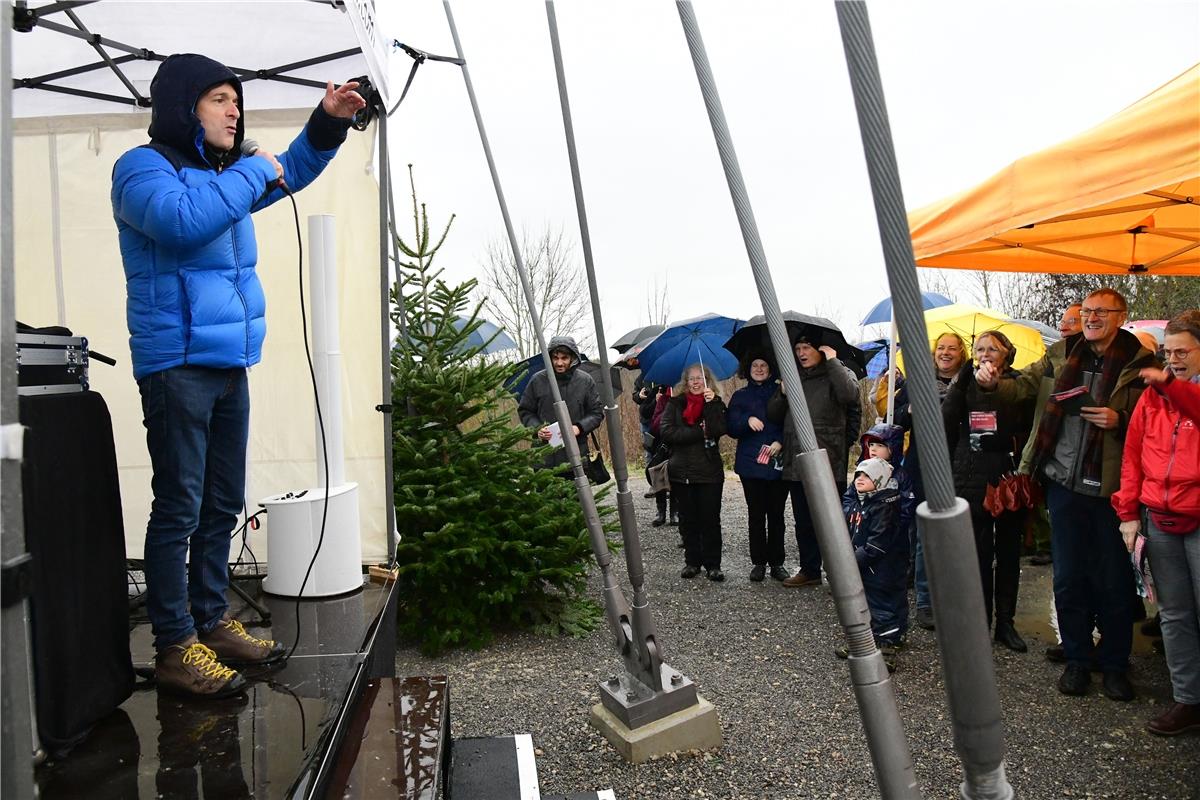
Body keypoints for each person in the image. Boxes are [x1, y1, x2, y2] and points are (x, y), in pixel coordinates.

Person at [111, 54, 367, 697]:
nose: (234, 111)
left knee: (222, 503)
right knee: (179, 508)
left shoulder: (220, 177)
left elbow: (292, 171)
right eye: (220, 99)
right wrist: (253, 167)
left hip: (228, 365)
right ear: (183, 106)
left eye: (236, 100)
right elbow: (180, 222)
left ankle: (211, 621)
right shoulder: (142, 170)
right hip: (175, 366)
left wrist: (326, 123)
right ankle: (175, 645)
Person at [1013, 288, 1155, 701]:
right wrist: (986, 380)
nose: (1091, 317)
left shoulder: (1141, 364)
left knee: (1113, 581)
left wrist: (1121, 418)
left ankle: (1113, 663)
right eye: (1087, 310)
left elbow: (1156, 428)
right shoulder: (1060, 354)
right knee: (1069, 576)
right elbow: (1020, 387)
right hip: (1063, 483)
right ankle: (1076, 658)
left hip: (1113, 490)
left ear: (1121, 315)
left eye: (1100, 311)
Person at [1112, 310, 1200, 735]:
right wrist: (1128, 512)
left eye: (1182, 352)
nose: (1173, 359)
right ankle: (1187, 700)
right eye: (1168, 353)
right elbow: (1132, 456)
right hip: (1160, 517)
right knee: (1174, 615)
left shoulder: (1173, 389)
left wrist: (1172, 387)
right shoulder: (1153, 395)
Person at [942, 331, 1037, 652]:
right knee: (977, 555)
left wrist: (993, 387)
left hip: (1008, 478)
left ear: (1006, 354)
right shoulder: (963, 381)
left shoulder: (1018, 383)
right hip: (970, 477)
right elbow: (945, 422)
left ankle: (1006, 623)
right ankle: (979, 621)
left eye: (992, 349)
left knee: (1008, 554)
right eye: (979, 349)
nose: (985, 354)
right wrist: (963, 379)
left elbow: (1024, 422)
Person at [767, 337, 860, 588]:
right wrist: (782, 393)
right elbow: (773, 415)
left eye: (806, 348)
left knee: (833, 520)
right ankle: (810, 570)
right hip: (797, 459)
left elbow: (850, 397)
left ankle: (838, 573)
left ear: (821, 349)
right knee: (804, 520)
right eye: (797, 349)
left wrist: (832, 361)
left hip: (829, 458)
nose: (801, 353)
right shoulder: (792, 376)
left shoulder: (839, 371)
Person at [906, 331, 969, 631]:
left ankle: (951, 596)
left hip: (958, 465)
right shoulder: (917, 382)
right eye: (940, 348)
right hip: (923, 464)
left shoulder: (970, 385)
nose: (945, 353)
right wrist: (905, 408)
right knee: (925, 534)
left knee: (954, 533)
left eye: (952, 348)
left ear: (961, 353)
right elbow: (895, 420)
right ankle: (925, 601)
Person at [835, 456, 907, 672]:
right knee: (860, 604)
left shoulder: (885, 507)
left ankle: (887, 647)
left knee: (883, 606)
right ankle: (862, 642)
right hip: (862, 563)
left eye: (866, 476)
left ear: (879, 480)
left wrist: (851, 562)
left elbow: (877, 544)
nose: (860, 479)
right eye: (858, 475)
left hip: (881, 568)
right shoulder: (855, 500)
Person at [660, 363, 728, 581]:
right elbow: (667, 432)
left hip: (709, 471)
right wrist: (698, 433)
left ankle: (713, 564)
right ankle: (692, 562)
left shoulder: (715, 403)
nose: (696, 382)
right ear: (686, 382)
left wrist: (711, 405)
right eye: (692, 378)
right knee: (688, 520)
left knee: (710, 519)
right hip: (681, 470)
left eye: (700, 378)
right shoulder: (675, 403)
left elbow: (718, 430)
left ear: (707, 381)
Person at [726, 353, 789, 582]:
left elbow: (791, 421)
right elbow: (730, 426)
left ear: (770, 369)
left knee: (777, 515)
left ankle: (777, 563)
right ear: (748, 368)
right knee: (756, 515)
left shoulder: (781, 392)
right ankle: (759, 563)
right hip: (750, 464)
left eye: (763, 365)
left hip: (777, 462)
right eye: (755, 365)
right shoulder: (740, 396)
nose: (759, 368)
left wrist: (781, 440)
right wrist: (747, 421)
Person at [518, 336, 604, 472]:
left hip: (576, 456)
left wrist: (578, 428)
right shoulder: (537, 380)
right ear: (550, 358)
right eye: (555, 358)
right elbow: (525, 411)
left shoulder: (585, 381)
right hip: (543, 458)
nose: (559, 363)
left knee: (577, 493)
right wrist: (537, 429)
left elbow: (597, 413)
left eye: (564, 358)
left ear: (572, 358)